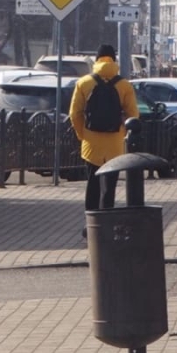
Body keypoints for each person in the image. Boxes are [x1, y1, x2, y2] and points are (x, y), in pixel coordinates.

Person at [69, 44, 140, 224]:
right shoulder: (124, 85)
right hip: (115, 144)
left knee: (92, 185)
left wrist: (82, 134)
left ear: (97, 59)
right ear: (114, 60)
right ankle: (106, 224)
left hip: (91, 143)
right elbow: (133, 115)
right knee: (109, 187)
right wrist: (122, 130)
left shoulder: (84, 83)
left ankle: (91, 225)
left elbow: (74, 113)